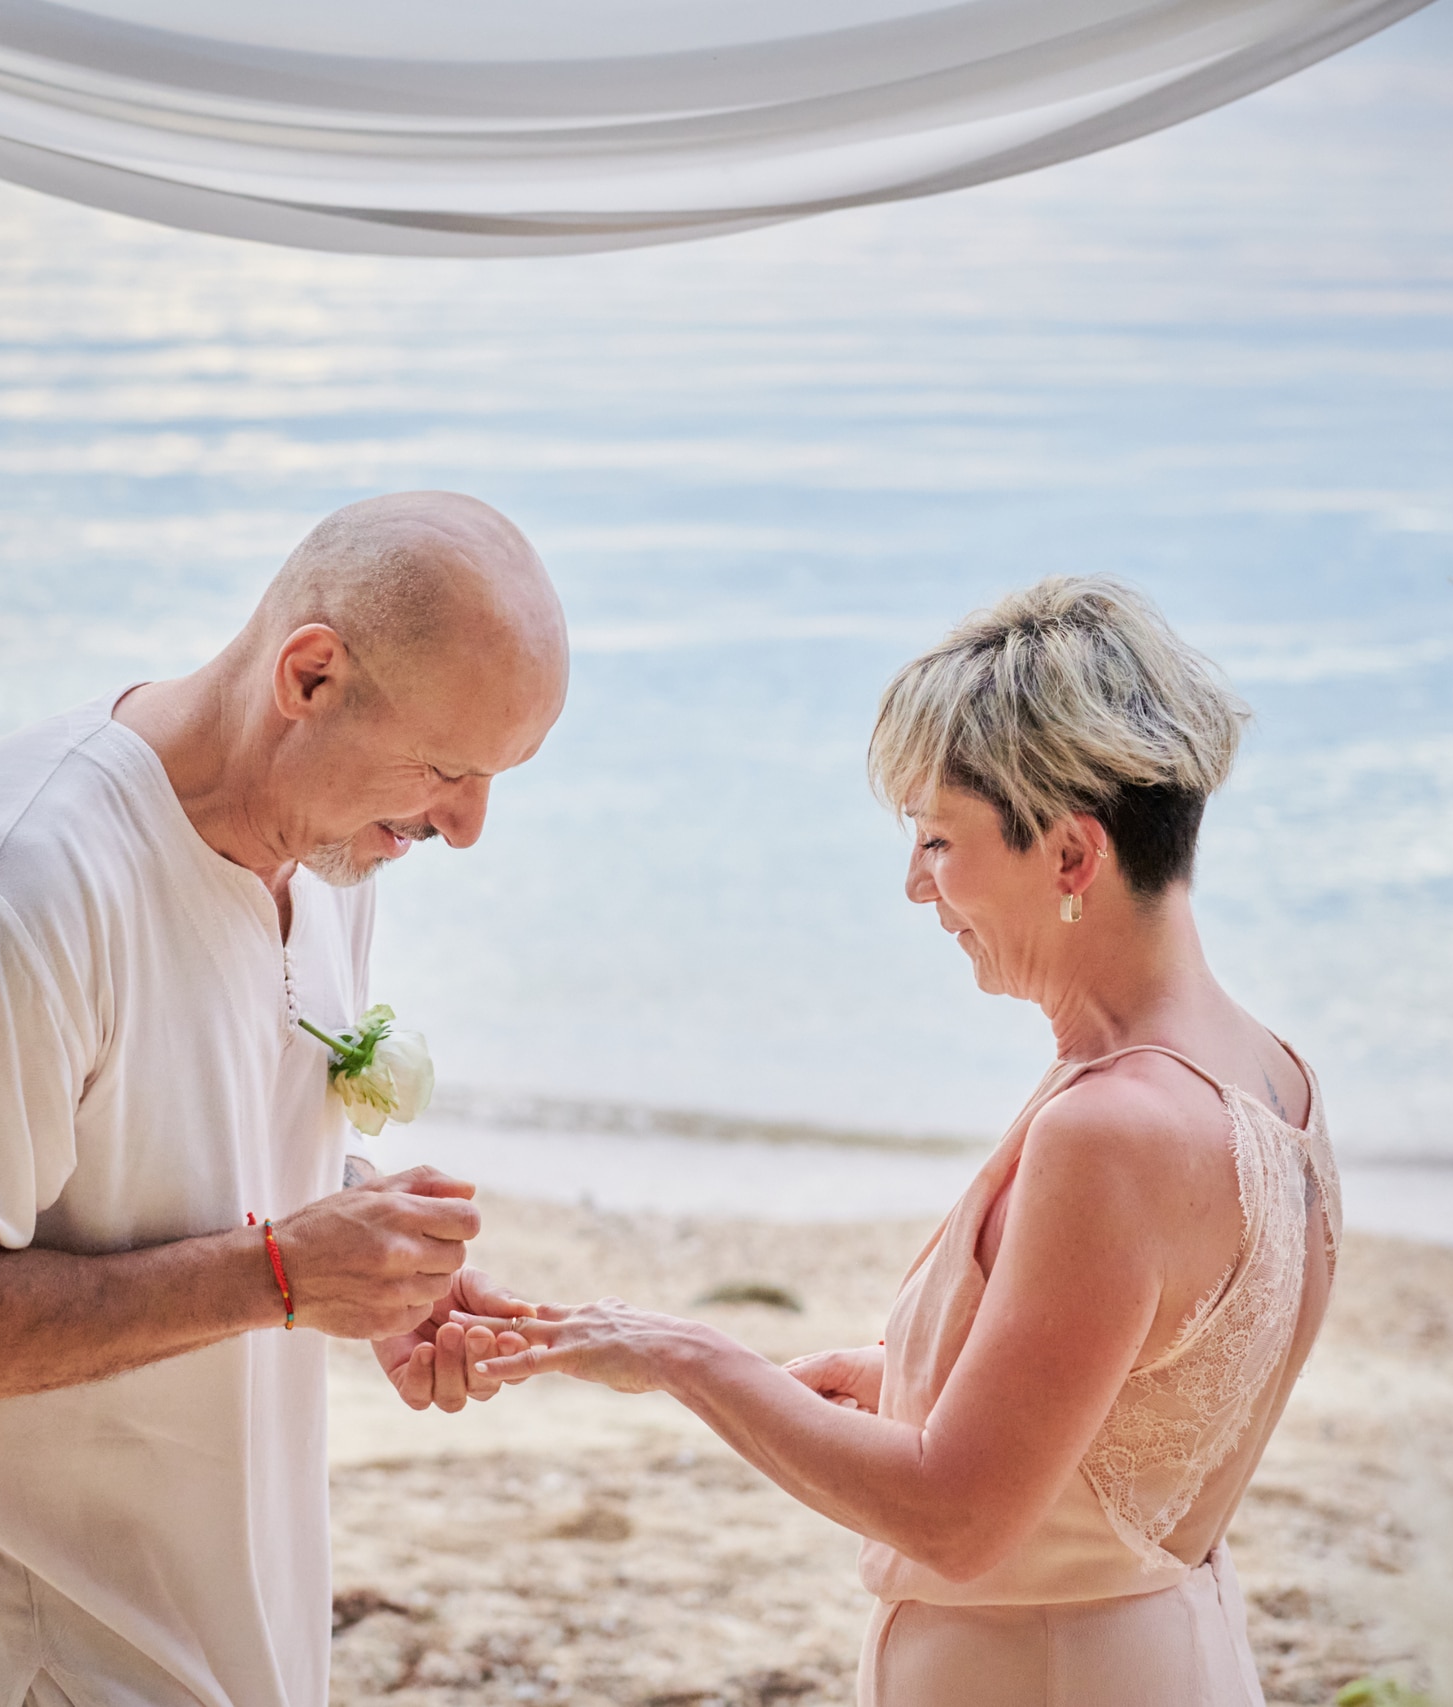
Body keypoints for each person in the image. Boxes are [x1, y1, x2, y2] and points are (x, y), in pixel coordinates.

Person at [476, 577, 1338, 1706]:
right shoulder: (1271, 1076)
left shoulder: (1111, 1130)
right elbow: (1150, 1407)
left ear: (1073, 857)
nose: (914, 886)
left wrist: (684, 1357)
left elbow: (958, 1517)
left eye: (937, 841)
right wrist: (909, 1378)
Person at [0, 492, 563, 1707]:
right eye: (446, 769)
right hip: (34, 1656)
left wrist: (365, 1254)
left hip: (232, 1627)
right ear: (309, 676)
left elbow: (181, 1151)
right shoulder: (15, 895)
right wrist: (279, 1277)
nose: (463, 827)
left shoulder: (328, 855)